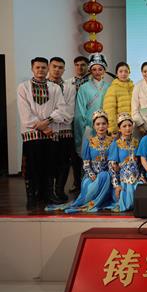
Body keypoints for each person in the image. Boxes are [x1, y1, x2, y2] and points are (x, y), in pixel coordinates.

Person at [18, 57, 66, 208]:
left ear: (47, 69)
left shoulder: (55, 88)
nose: (40, 70)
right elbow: (25, 113)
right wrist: (43, 127)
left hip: (51, 133)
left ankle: (48, 195)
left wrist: (48, 120)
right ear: (32, 68)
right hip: (32, 134)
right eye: (37, 67)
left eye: (43, 67)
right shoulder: (23, 87)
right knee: (32, 167)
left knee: (50, 165)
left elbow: (61, 109)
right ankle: (32, 197)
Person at [47, 110, 114, 213]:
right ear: (93, 126)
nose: (101, 127)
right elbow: (86, 163)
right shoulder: (89, 142)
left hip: (108, 176)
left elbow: (113, 162)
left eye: (104, 124)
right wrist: (92, 174)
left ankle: (101, 200)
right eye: (98, 124)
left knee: (105, 176)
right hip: (91, 176)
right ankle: (92, 201)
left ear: (108, 125)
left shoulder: (112, 142)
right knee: (95, 182)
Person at [48, 57, 76, 202]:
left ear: (64, 69)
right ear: (49, 67)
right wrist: (52, 118)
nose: (57, 70)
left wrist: (53, 116)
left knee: (64, 162)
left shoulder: (69, 87)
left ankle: (59, 190)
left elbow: (68, 112)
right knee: (49, 162)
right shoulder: (43, 85)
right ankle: (48, 192)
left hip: (65, 130)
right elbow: (44, 110)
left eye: (60, 67)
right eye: (54, 66)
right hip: (48, 131)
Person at [74, 54, 110, 155]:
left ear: (104, 70)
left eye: (100, 69)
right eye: (94, 69)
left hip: (106, 127)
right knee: (89, 156)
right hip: (89, 127)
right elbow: (80, 113)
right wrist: (84, 128)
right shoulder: (83, 88)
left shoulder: (109, 87)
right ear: (90, 71)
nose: (97, 72)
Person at [108, 113, 144, 212]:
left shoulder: (137, 142)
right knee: (128, 204)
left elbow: (141, 163)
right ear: (119, 129)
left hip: (136, 178)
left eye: (129, 125)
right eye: (124, 126)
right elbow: (111, 167)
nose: (127, 128)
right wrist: (116, 185)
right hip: (123, 180)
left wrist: (142, 176)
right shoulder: (115, 144)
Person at [66, 55, 89, 194]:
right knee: (74, 154)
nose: (80, 67)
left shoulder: (92, 83)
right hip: (72, 122)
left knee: (88, 153)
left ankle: (88, 181)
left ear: (88, 66)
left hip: (88, 123)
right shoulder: (68, 83)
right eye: (77, 65)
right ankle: (76, 182)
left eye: (83, 65)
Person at [103, 62, 134, 135]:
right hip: (119, 127)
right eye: (120, 71)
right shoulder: (112, 89)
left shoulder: (134, 88)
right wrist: (112, 129)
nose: (123, 74)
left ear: (129, 73)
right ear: (116, 74)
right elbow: (109, 110)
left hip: (132, 126)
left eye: (126, 71)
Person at [131, 61, 147, 138]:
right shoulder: (137, 86)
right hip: (143, 124)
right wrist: (140, 125)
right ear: (142, 72)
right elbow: (134, 110)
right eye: (145, 71)